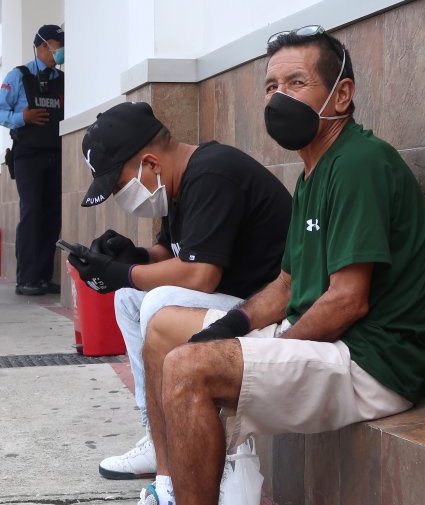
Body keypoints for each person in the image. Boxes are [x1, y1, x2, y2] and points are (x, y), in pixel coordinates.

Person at [84, 26, 425, 505]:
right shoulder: (315, 171)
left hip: (371, 363)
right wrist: (232, 329)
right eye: (271, 87)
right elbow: (287, 284)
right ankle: (168, 497)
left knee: (186, 370)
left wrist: (269, 343)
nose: (279, 98)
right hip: (330, 343)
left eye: (296, 83)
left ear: (341, 94)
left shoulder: (360, 164)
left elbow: (348, 300)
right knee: (165, 335)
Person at [67, 101, 291, 481]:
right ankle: (157, 437)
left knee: (155, 300)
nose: (122, 196)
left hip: (267, 308)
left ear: (150, 164)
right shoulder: (179, 183)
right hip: (233, 299)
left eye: (120, 185)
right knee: (129, 296)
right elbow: (173, 253)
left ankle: (171, 442)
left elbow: (200, 273)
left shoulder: (212, 174)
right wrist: (131, 255)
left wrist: (124, 271)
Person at [0, 23, 64, 296]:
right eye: (58, 45)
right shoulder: (18, 76)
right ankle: (27, 278)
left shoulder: (62, 79)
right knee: (32, 213)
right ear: (44, 46)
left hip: (55, 155)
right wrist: (24, 117)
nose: (61, 51)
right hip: (28, 156)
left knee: (52, 216)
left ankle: (44, 277)